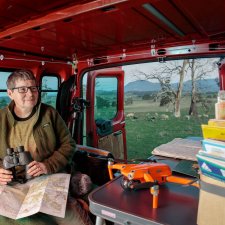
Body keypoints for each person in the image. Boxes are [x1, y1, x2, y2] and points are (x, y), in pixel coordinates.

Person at [0, 69, 93, 225]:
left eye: (33, 88)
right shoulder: (1, 119)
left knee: (73, 220)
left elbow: (69, 144)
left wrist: (47, 165)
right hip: (12, 185)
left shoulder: (49, 114)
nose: (30, 94)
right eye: (22, 89)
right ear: (10, 93)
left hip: (47, 179)